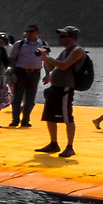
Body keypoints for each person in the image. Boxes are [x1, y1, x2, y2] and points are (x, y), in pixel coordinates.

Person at [38, 26, 88, 157]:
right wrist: (44, 58)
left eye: (62, 36)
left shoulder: (77, 50)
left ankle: (70, 146)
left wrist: (46, 56)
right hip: (55, 88)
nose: (59, 39)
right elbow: (51, 66)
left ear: (71, 37)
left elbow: (64, 65)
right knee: (49, 117)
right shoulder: (65, 51)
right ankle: (53, 143)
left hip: (66, 87)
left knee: (67, 117)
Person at [7, 25, 45, 127]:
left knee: (30, 98)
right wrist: (13, 72)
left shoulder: (42, 45)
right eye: (27, 31)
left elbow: (46, 60)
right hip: (21, 72)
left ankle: (26, 120)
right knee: (17, 97)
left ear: (37, 32)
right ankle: (15, 120)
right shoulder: (19, 44)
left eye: (31, 31)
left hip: (35, 73)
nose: (29, 33)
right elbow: (12, 59)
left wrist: (48, 74)